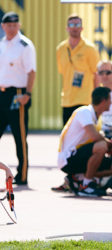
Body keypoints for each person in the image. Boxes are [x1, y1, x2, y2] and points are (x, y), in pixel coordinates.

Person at [57, 87, 112, 197]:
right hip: (67, 159)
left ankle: (78, 178)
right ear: (103, 101)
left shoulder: (97, 117)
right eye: (110, 99)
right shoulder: (84, 112)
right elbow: (95, 137)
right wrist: (111, 146)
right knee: (101, 146)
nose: (111, 102)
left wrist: (110, 145)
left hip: (80, 156)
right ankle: (86, 186)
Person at [0, 12, 36, 185]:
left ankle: (22, 175)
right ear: (3, 26)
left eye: (14, 25)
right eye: (8, 25)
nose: (11, 28)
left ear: (19, 26)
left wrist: (27, 94)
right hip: (1, 93)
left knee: (19, 136)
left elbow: (31, 72)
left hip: (18, 93)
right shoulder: (2, 44)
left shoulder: (25, 45)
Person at [56, 14, 100, 125]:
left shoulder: (90, 48)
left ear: (82, 28)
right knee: (68, 136)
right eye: (71, 24)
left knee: (86, 137)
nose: (74, 27)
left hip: (85, 100)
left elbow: (96, 74)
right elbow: (63, 72)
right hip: (67, 100)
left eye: (77, 24)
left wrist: (96, 99)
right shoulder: (61, 49)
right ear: (67, 28)